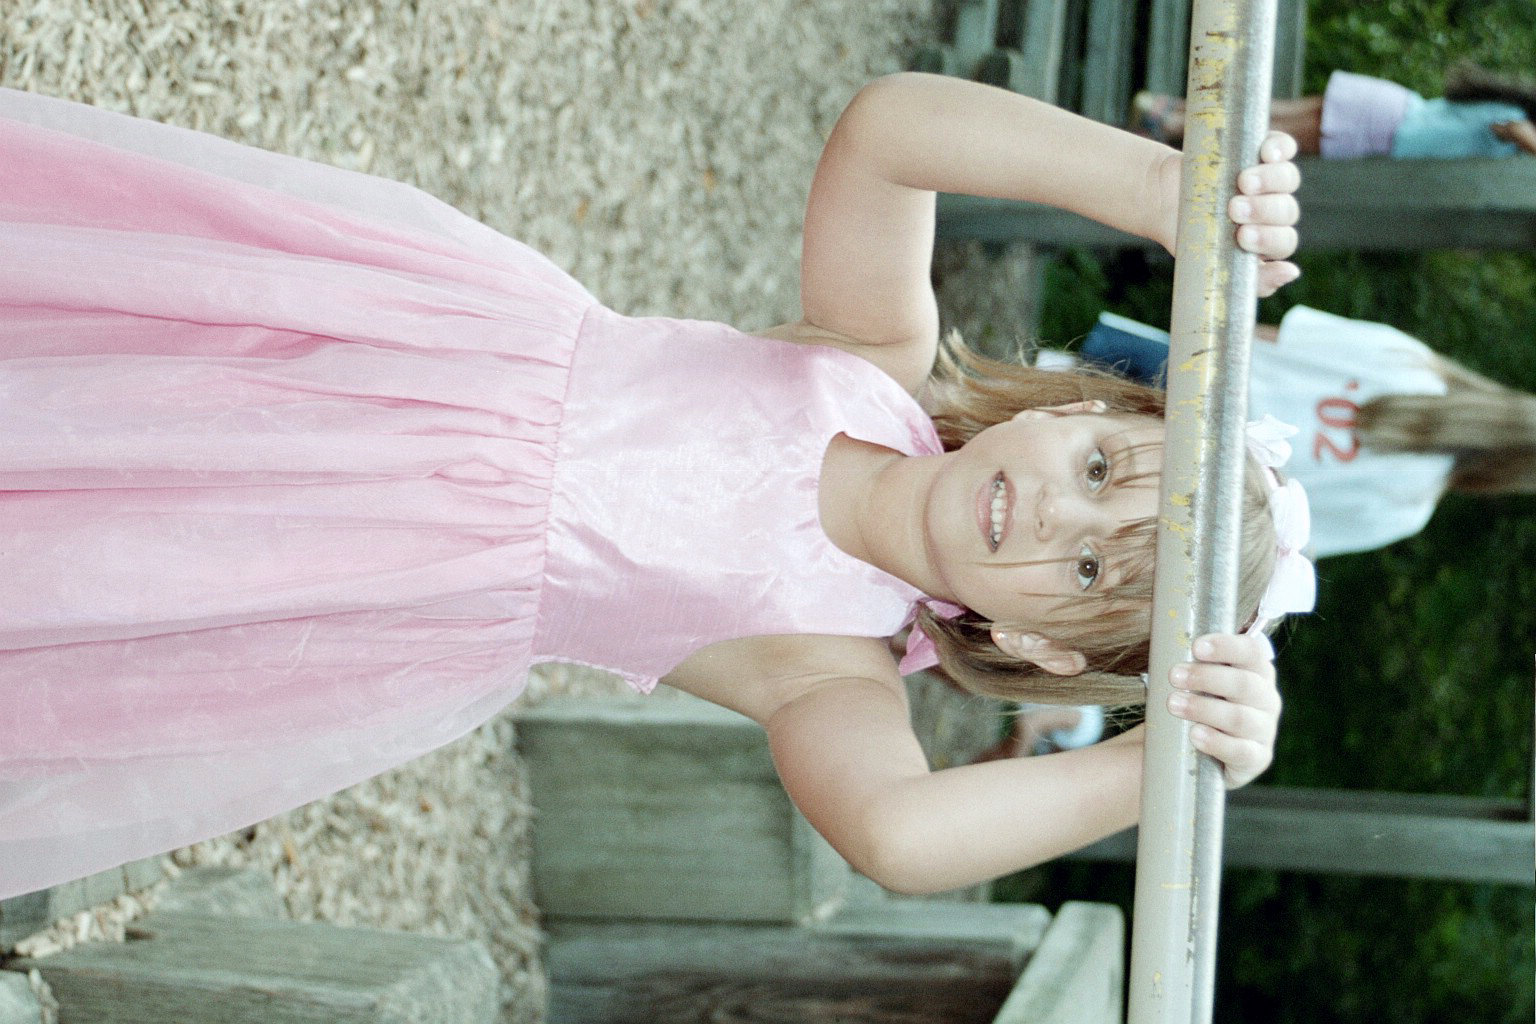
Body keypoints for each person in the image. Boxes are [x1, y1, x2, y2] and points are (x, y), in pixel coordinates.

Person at [0, 72, 1305, 901]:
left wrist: (1156, 766)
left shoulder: (828, 672)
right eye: (1098, 469)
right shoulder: (874, 355)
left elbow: (901, 840)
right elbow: (892, 131)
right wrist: (1160, 188)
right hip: (422, 354)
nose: (1057, 511)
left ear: (1040, 647)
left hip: (389, 561)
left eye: (1087, 569)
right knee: (125, 377)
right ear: (1075, 408)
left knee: (116, 552)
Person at [1074, 306, 1536, 557]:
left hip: (1191, 375)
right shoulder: (1406, 510)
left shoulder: (1411, 361)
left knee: (1050, 383)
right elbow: (1289, 545)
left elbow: (1271, 336)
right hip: (1187, 476)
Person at [1133, 61, 1536, 159]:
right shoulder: (1517, 124)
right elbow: (1518, 133)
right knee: (1265, 129)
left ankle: (1168, 109)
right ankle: (1168, 122)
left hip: (1390, 109)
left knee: (1268, 113)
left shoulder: (1512, 108)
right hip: (1384, 125)